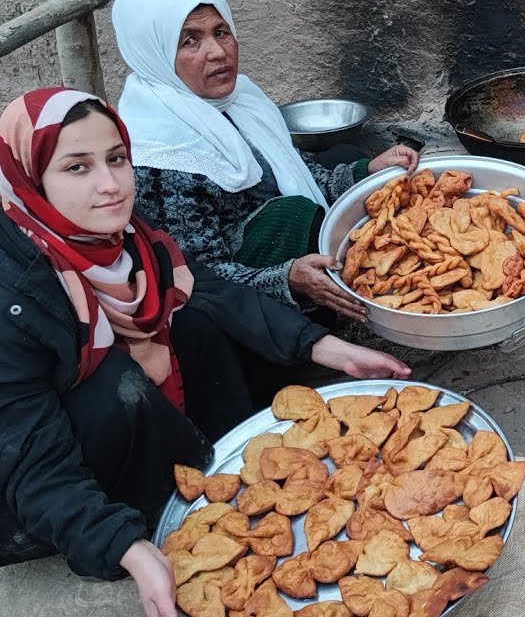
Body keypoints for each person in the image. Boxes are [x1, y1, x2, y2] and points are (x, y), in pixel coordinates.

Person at [0, 88, 411, 617]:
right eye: (76, 167)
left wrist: (324, 347)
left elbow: (212, 289)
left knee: (192, 318)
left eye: (116, 159)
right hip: (25, 489)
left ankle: (226, 475)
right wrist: (124, 546)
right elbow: (29, 459)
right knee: (115, 388)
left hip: (93, 437)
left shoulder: (124, 239)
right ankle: (152, 518)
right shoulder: (16, 295)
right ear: (30, 179)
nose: (109, 185)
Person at [110, 0, 421, 323]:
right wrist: (285, 278)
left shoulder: (239, 101)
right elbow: (197, 274)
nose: (217, 52)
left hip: (264, 235)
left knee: (350, 157)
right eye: (189, 42)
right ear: (154, 53)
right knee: (294, 214)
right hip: (230, 303)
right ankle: (309, 328)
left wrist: (367, 172)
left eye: (221, 32)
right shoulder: (160, 153)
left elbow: (299, 171)